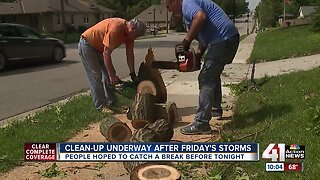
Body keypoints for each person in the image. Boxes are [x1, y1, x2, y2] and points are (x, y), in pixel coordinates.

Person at [165, 0, 239, 134]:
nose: (169, 10)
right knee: (212, 74)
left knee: (205, 79)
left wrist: (186, 43)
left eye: (168, 5)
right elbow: (204, 38)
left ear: (174, 1)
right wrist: (198, 55)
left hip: (222, 40)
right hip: (227, 38)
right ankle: (216, 110)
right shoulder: (189, 11)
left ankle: (201, 123)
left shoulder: (187, 3)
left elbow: (200, 17)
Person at [78, 18, 146, 113]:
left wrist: (133, 74)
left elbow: (129, 54)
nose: (136, 38)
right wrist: (112, 76)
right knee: (96, 76)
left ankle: (112, 101)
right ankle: (101, 105)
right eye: (136, 35)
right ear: (132, 28)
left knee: (108, 76)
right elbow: (107, 53)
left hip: (101, 49)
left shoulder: (129, 36)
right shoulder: (116, 28)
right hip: (88, 45)